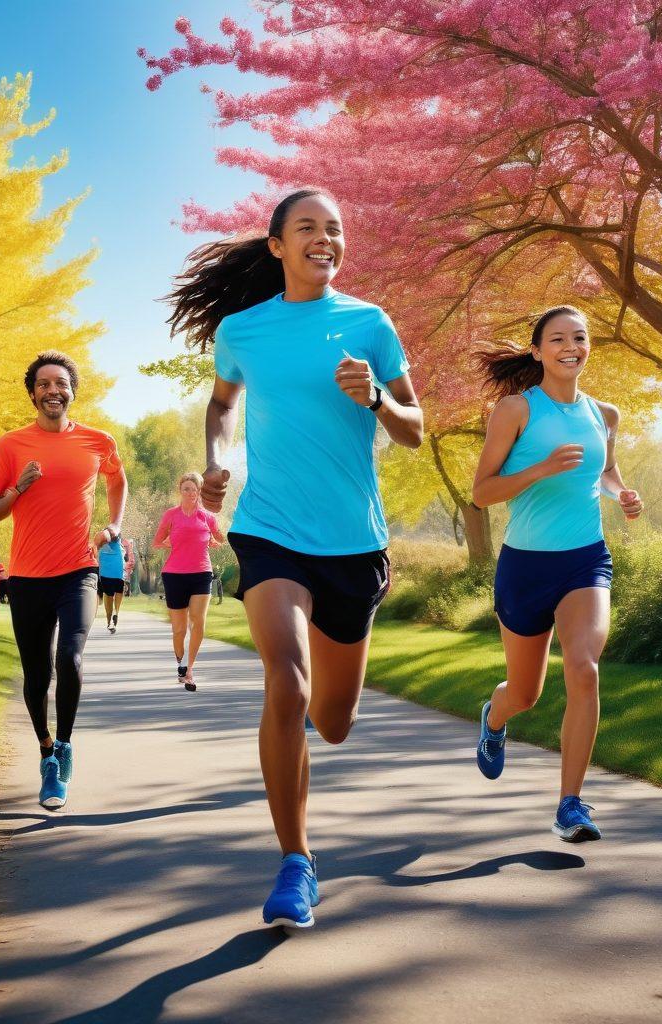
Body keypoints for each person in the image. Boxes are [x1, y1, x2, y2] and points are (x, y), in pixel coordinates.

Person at [165, 189, 422, 927]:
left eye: (334, 228)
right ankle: (296, 863)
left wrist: (375, 397)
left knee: (333, 721)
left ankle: (303, 726)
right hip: (269, 529)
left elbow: (415, 429)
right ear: (276, 245)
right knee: (286, 676)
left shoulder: (369, 324)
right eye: (307, 227)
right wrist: (216, 459)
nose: (324, 238)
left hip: (354, 541)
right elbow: (220, 406)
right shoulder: (242, 330)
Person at [471, 305, 643, 843]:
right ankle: (494, 720)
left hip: (584, 560)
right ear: (538, 350)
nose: (572, 346)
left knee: (585, 668)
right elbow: (482, 493)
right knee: (525, 693)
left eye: (580, 337)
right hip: (524, 565)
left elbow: (606, 472)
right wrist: (540, 468)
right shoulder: (516, 410)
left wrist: (623, 494)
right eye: (559, 338)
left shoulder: (604, 414)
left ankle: (570, 803)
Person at [0, 350, 127, 810]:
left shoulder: (97, 441)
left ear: (71, 390)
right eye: (43, 384)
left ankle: (63, 747)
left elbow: (117, 481)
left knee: (72, 658)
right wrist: (17, 488)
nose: (52, 391)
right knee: (36, 672)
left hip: (79, 570)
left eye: (60, 383)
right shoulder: (10, 445)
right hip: (26, 576)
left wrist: (114, 526)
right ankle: (44, 749)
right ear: (32, 394)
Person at [153, 472, 225, 691]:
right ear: (180, 490)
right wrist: (169, 543)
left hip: (201, 573)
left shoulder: (207, 517)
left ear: (199, 491)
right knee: (179, 629)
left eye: (194, 489)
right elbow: (157, 541)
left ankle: (189, 669)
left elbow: (221, 538)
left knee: (198, 621)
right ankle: (180, 664)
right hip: (174, 574)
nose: (191, 493)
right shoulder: (171, 515)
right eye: (186, 488)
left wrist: (214, 540)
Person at [97, 534, 132, 634]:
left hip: (105, 570)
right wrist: (127, 572)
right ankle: (116, 612)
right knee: (118, 591)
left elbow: (94, 551)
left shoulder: (101, 541)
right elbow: (131, 559)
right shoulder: (125, 542)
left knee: (108, 595)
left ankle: (109, 622)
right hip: (118, 570)